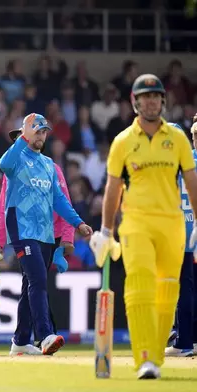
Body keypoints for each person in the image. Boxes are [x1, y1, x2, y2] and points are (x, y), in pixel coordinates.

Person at [90, 74, 197, 379]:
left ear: (163, 100)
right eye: (144, 97)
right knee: (139, 285)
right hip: (136, 223)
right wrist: (107, 231)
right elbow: (113, 188)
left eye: (155, 96)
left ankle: (156, 354)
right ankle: (145, 358)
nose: (150, 101)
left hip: (172, 224)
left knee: (167, 292)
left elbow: (191, 182)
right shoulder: (123, 141)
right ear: (134, 102)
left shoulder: (177, 139)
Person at [0, 113, 92, 356]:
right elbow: (4, 164)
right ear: (27, 132)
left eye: (43, 132)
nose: (41, 136)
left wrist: (78, 223)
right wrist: (23, 138)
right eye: (36, 131)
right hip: (21, 227)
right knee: (38, 280)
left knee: (31, 283)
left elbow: (59, 200)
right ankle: (45, 334)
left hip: (45, 233)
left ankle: (19, 341)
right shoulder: (17, 157)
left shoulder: (49, 165)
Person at [165, 121, 197, 357]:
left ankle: (183, 341)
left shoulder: (170, 166)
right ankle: (190, 338)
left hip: (178, 235)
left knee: (182, 289)